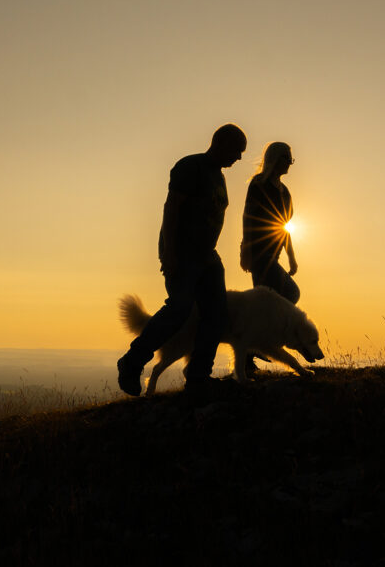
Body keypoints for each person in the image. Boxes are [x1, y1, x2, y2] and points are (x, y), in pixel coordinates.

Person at [117, 123, 247, 397]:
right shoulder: (190, 167)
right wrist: (169, 253)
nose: (239, 158)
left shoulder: (218, 177)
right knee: (179, 309)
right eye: (237, 151)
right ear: (221, 143)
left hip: (208, 257)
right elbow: (171, 207)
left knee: (216, 315)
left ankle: (198, 377)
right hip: (184, 254)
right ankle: (132, 362)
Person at [240, 142, 300, 304]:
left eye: (291, 159)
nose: (289, 162)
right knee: (291, 293)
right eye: (286, 158)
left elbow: (283, 227)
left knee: (266, 300)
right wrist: (245, 250)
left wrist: (291, 257)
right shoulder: (259, 184)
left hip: (274, 254)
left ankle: (261, 328)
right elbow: (248, 218)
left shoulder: (285, 192)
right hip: (259, 253)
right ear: (275, 158)